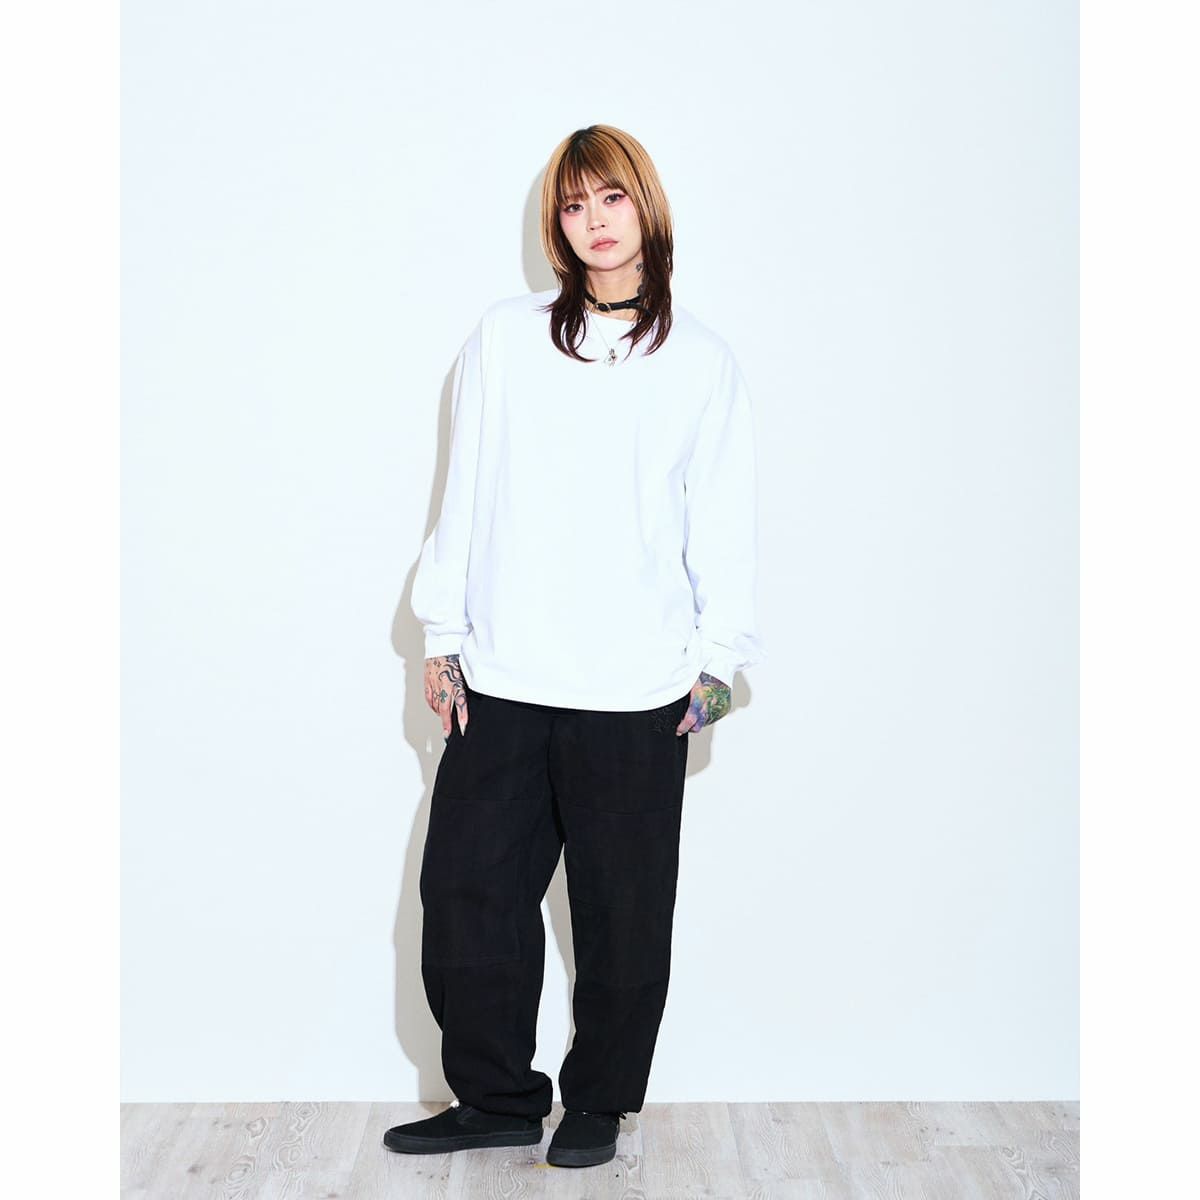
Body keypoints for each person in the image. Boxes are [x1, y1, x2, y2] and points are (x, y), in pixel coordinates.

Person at [384, 124, 765, 1170]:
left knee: (623, 918)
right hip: (503, 678)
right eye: (572, 203)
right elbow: (463, 492)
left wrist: (717, 668)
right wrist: (443, 637)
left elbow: (723, 523)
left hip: (639, 692)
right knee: (466, 899)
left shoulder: (702, 362)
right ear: (556, 224)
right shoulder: (504, 338)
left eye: (611, 198)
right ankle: (498, 1098)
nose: (593, 220)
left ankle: (601, 1101)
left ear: (646, 208)